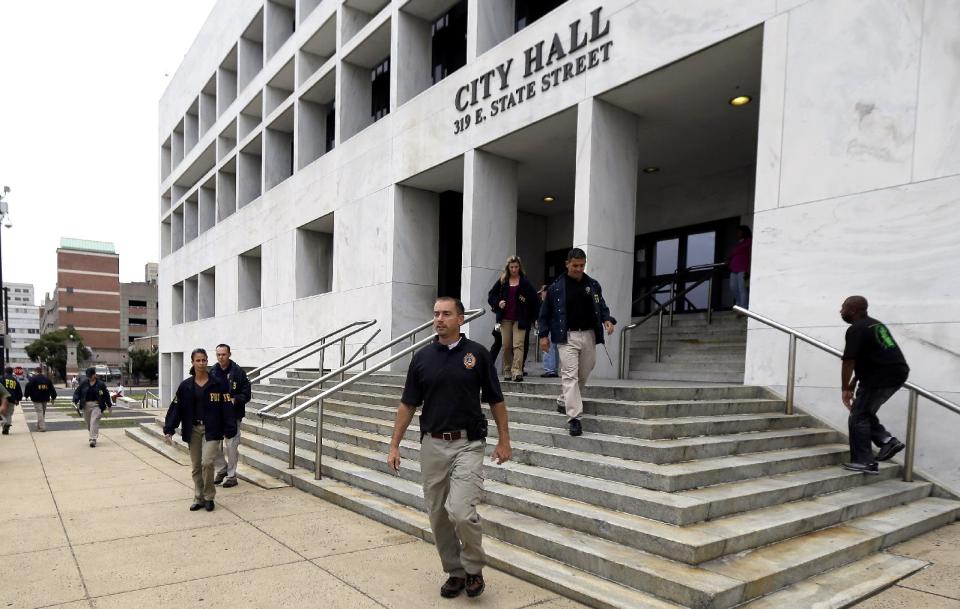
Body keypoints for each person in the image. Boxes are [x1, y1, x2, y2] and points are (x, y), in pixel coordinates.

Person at [387, 297, 512, 599]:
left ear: (460, 319)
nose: (439, 319)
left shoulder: (477, 355)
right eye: (436, 314)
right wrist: (394, 444)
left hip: (468, 443)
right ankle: (455, 572)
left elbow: (496, 400)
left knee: (459, 511)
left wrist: (505, 440)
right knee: (438, 514)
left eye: (446, 314)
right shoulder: (422, 358)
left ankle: (473, 568)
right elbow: (408, 404)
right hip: (433, 444)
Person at [538, 248, 616, 436]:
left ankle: (563, 400)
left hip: (589, 334)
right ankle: (574, 418)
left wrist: (607, 319)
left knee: (584, 372)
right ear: (567, 264)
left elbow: (601, 305)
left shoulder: (593, 284)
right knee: (570, 375)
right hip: (567, 337)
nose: (579, 269)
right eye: (575, 266)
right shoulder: (556, 287)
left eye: (582, 265)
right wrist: (543, 335)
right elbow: (544, 314)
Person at [840, 296, 909, 474]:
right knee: (863, 412)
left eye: (843, 308)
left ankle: (865, 462)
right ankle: (887, 441)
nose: (840, 311)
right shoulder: (875, 324)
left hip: (880, 376)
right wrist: (855, 381)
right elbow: (871, 357)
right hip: (894, 372)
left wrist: (845, 388)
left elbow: (849, 361)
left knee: (858, 416)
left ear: (853, 310)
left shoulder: (856, 329)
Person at [163, 348, 236, 512]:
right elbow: (176, 408)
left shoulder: (218, 383)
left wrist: (229, 428)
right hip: (193, 429)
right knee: (196, 466)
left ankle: (209, 497)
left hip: (212, 429)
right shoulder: (185, 386)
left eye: (204, 360)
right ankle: (199, 497)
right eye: (198, 360)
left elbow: (227, 407)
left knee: (207, 462)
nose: (201, 363)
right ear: (193, 362)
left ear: (207, 361)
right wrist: (169, 429)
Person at [487, 255, 539, 382]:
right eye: (512, 267)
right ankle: (507, 370)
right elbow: (491, 295)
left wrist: (535, 318)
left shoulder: (524, 282)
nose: (514, 269)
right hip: (505, 319)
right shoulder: (503, 281)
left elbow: (535, 300)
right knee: (506, 346)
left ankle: (517, 371)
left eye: (516, 267)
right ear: (508, 268)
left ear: (519, 267)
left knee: (518, 345)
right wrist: (498, 303)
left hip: (520, 320)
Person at [211, 343, 251, 488]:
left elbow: (247, 394)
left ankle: (232, 475)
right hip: (216, 416)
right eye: (218, 354)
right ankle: (222, 469)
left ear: (229, 354)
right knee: (213, 445)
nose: (221, 357)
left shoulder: (238, 372)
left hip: (233, 416)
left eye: (224, 354)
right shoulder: (213, 372)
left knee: (232, 446)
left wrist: (235, 399)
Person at [72, 368, 113, 447]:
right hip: (86, 405)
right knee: (89, 423)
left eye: (91, 376)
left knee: (94, 421)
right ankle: (93, 434)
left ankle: (92, 439)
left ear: (94, 374)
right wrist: (75, 400)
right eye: (88, 376)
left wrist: (109, 405)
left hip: (97, 405)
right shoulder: (84, 383)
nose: (89, 377)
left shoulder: (100, 384)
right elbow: (77, 392)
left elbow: (106, 395)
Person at [25, 367, 57, 432]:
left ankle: (42, 427)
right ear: (41, 371)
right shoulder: (47, 379)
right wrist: (53, 397)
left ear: (36, 371)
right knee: (42, 413)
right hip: (45, 398)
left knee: (40, 412)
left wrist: (26, 395)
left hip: (36, 398)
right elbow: (52, 389)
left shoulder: (33, 379)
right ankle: (39, 426)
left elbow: (28, 387)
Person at [537, 285, 559, 378]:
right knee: (554, 349)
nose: (541, 295)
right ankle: (553, 369)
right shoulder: (554, 301)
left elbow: (545, 317)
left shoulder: (549, 302)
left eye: (542, 293)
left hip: (549, 327)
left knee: (548, 348)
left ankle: (550, 370)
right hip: (554, 327)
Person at [728, 225, 752, 309]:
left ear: (744, 232)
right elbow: (732, 253)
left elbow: (739, 251)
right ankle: (739, 304)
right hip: (734, 269)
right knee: (733, 287)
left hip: (743, 268)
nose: (737, 233)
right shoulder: (738, 243)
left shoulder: (748, 241)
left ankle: (743, 307)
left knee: (742, 289)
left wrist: (748, 270)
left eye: (739, 231)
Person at [1, 367, 23, 434]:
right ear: (11, 372)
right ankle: (7, 427)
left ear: (5, 371)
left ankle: (5, 423)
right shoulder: (15, 380)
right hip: (12, 399)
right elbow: (19, 391)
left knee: (1, 413)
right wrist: (18, 399)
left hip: (3, 399)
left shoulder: (2, 378)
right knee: (9, 414)